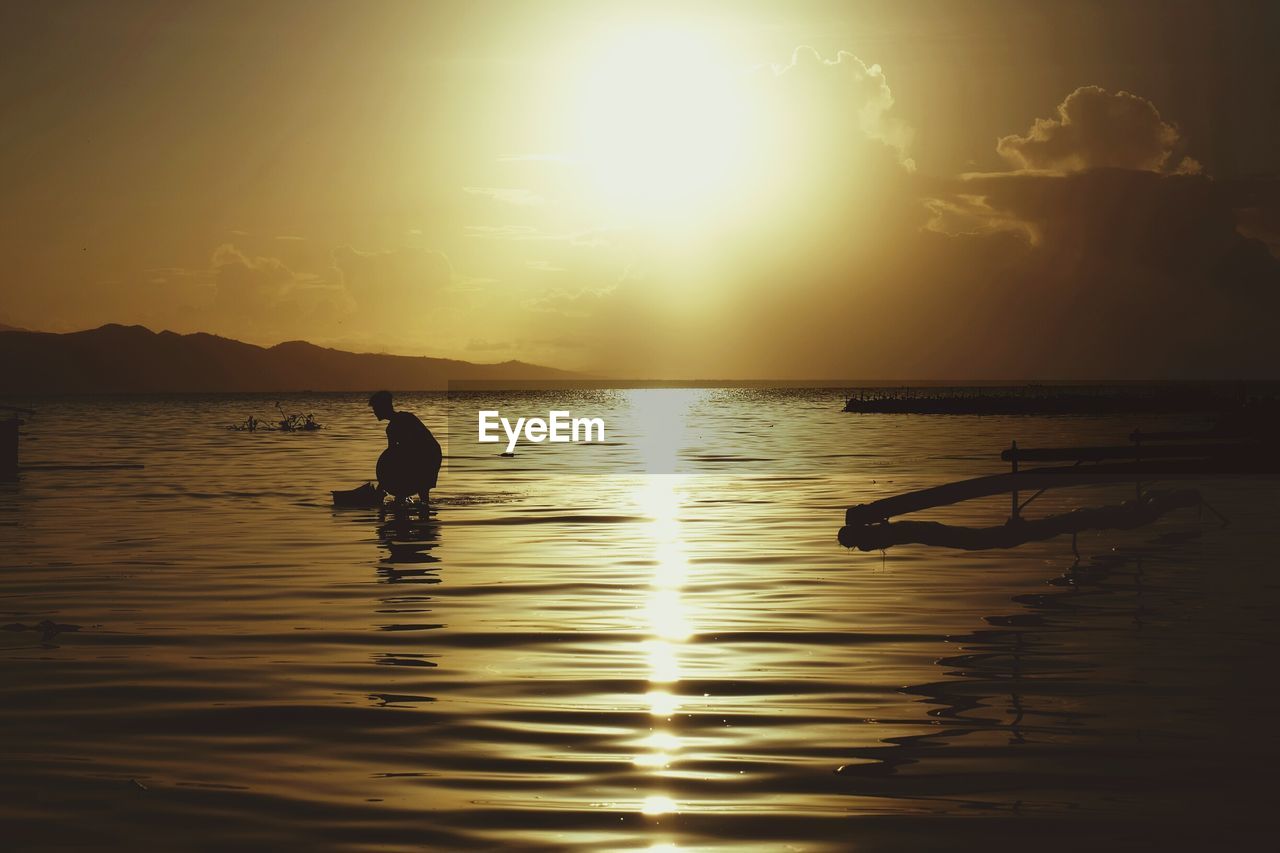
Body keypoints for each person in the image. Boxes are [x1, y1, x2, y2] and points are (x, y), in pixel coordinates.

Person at [369, 390, 442, 508]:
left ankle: (422, 512)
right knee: (404, 489)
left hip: (429, 453)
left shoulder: (405, 419)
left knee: (421, 488)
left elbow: (399, 454)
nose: (374, 412)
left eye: (376, 408)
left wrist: (382, 485)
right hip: (418, 455)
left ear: (383, 407)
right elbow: (391, 457)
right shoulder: (394, 426)